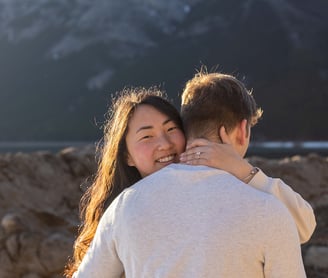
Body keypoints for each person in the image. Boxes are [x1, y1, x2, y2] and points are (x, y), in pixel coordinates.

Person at [72, 72, 313, 277]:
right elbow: (302, 225)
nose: (164, 144)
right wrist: (245, 171)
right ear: (243, 129)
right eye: (147, 136)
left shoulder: (125, 205)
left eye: (170, 130)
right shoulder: (268, 209)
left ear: (185, 130)